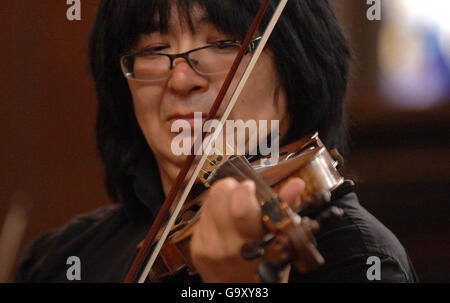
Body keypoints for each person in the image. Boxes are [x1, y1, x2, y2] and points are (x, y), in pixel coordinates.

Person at [15, 0, 417, 283]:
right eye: (155, 49)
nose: (181, 78)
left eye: (225, 44)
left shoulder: (355, 259)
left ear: (298, 67)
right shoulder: (60, 259)